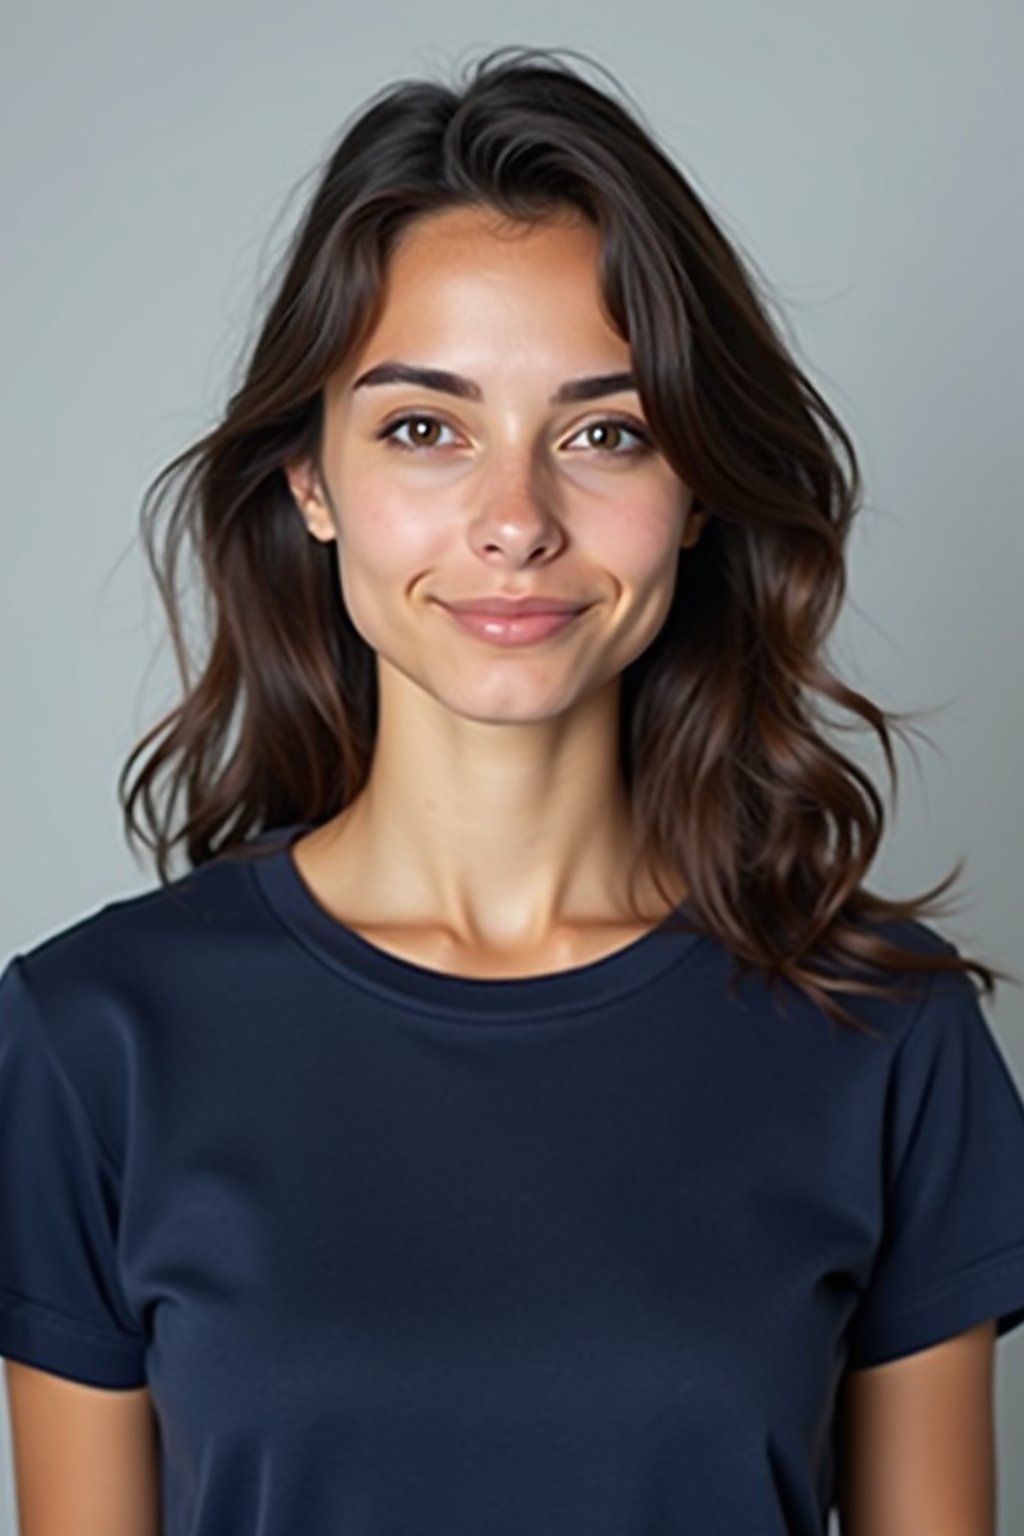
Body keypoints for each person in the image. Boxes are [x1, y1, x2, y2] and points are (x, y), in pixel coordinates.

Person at [2, 42, 1023, 1536]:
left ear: (699, 497)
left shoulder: (883, 1030)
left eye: (605, 433)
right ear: (310, 480)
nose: (515, 521)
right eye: (426, 428)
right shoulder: (98, 1043)